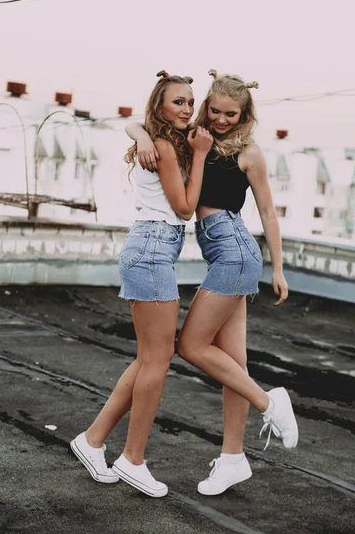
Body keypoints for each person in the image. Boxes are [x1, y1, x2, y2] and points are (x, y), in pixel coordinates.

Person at [128, 69, 298, 496]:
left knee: (190, 346)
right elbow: (138, 122)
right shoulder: (195, 137)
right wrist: (143, 137)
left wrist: (278, 269)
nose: (223, 120)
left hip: (236, 253)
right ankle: (233, 459)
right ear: (207, 106)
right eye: (216, 111)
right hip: (222, 254)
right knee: (232, 363)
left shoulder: (250, 152)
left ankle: (269, 403)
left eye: (232, 114)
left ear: (245, 114)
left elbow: (268, 213)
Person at [70, 71, 213, 498]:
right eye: (178, 103)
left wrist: (144, 133)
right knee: (157, 361)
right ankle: (133, 459)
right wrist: (201, 155)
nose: (187, 108)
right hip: (152, 249)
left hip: (151, 249)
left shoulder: (162, 140)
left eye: (190, 101)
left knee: (149, 359)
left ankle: (93, 441)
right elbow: (186, 208)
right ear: (161, 108)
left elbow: (135, 125)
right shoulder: (168, 147)